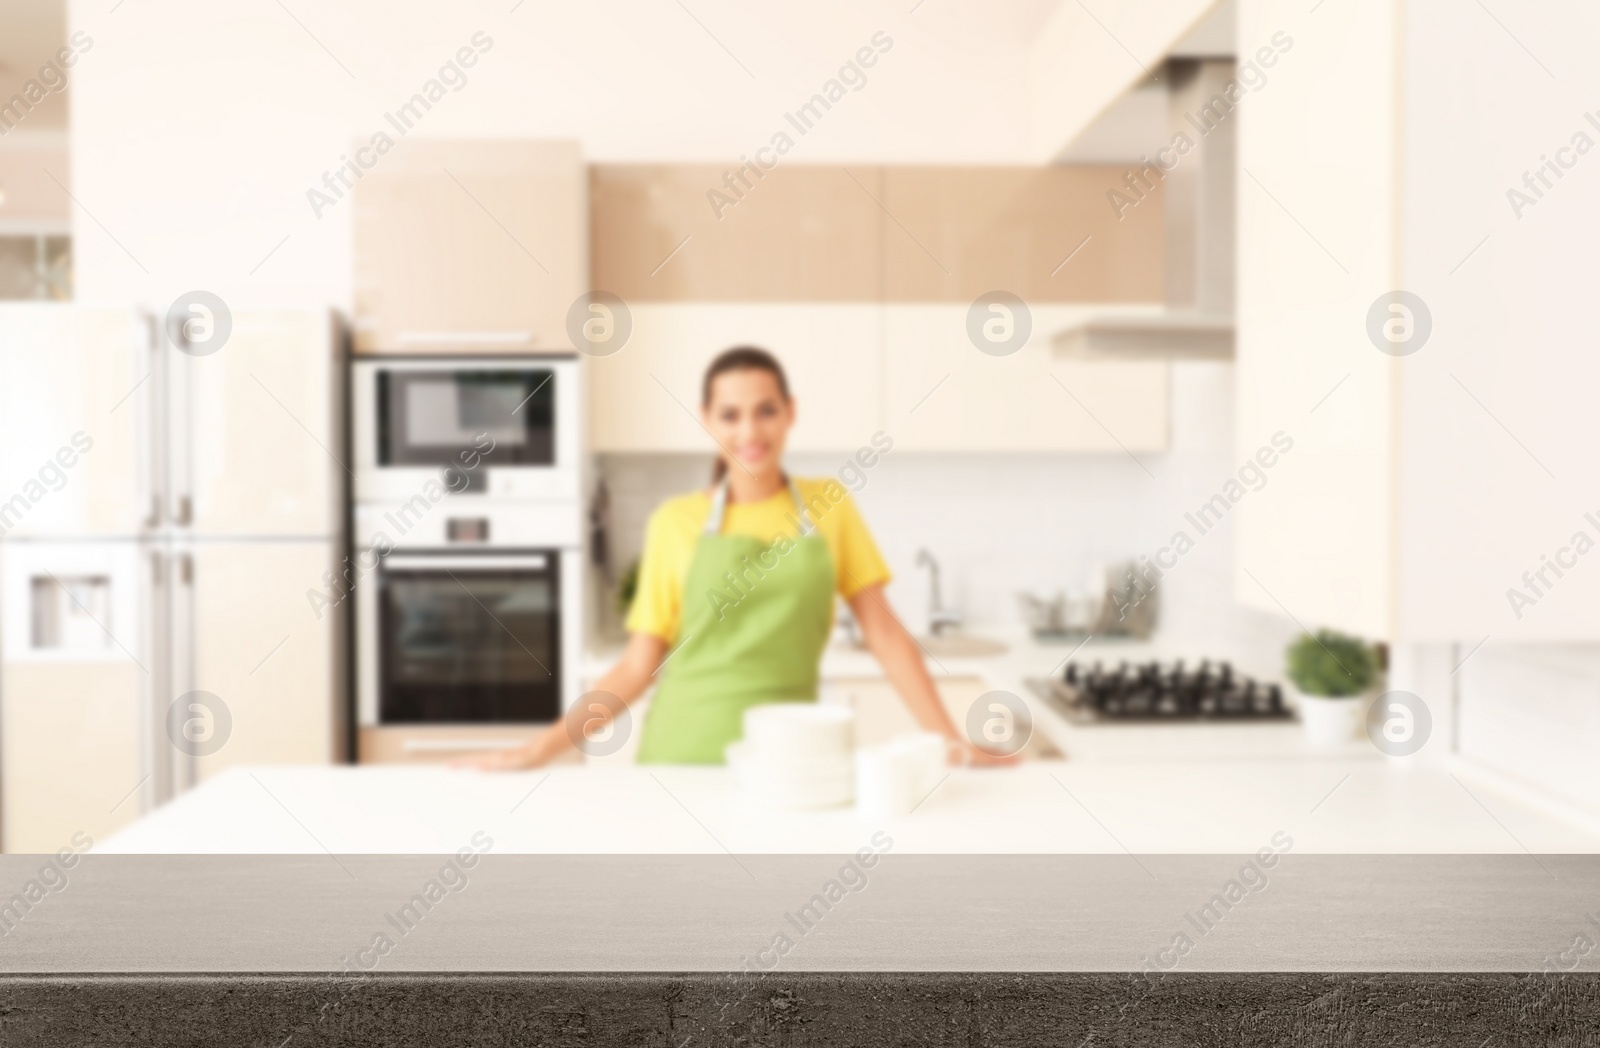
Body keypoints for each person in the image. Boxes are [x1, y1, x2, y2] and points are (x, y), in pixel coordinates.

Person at [465, 346, 1013, 768]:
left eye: (765, 411)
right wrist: (540, 749)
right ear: (707, 419)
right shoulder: (675, 523)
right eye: (730, 415)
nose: (750, 431)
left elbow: (887, 636)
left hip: (792, 758)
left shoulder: (830, 507)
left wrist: (947, 742)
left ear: (790, 413)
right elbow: (637, 666)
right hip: (682, 757)